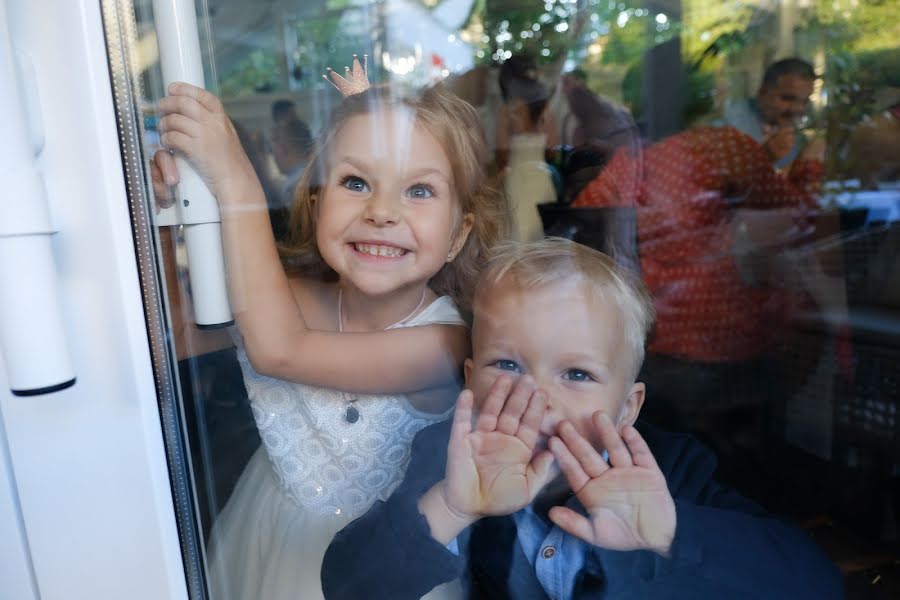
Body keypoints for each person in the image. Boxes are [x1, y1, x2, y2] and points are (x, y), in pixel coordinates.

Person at [152, 66, 508, 599]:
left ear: (458, 234)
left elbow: (280, 351)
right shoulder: (283, 299)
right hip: (267, 532)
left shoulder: (443, 344)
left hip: (380, 569)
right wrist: (162, 211)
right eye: (356, 182)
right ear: (317, 203)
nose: (382, 212)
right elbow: (170, 338)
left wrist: (235, 180)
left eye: (419, 190)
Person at [321, 237, 842, 599]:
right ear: (470, 379)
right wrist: (452, 508)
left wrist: (671, 534)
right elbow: (351, 588)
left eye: (576, 374)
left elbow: (816, 586)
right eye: (507, 365)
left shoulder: (672, 472)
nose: (536, 395)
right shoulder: (450, 462)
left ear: (628, 407)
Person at [724, 58, 817, 170]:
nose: (797, 109)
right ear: (763, 93)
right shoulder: (732, 123)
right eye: (787, 98)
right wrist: (766, 157)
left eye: (804, 101)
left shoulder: (797, 135)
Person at [271, 116, 313, 209]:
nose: (274, 158)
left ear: (282, 149)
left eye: (272, 150)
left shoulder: (292, 189)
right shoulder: (321, 177)